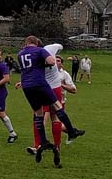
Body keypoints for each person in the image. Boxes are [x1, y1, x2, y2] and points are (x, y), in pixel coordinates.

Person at [16, 36, 85, 168]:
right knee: (58, 109)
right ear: (37, 44)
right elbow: (52, 61)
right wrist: (44, 61)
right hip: (42, 84)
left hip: (27, 86)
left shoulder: (20, 54)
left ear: (26, 43)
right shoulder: (42, 50)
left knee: (38, 114)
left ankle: (43, 141)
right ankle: (71, 131)